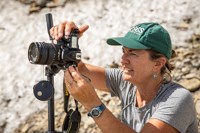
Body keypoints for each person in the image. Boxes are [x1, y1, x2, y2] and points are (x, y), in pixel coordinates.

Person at [50, 21, 198, 133]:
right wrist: (67, 44)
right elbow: (80, 69)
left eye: (132, 53)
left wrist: (93, 105)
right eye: (124, 51)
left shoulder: (178, 99)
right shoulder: (127, 82)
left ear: (158, 63)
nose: (123, 60)